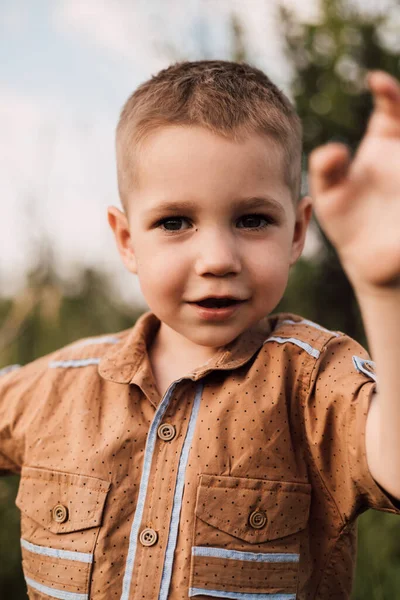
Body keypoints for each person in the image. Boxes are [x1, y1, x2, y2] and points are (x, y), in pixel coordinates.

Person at [0, 60, 399, 600]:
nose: (217, 259)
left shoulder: (312, 384)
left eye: (252, 219)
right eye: (174, 222)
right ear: (125, 239)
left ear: (298, 231)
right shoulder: (56, 388)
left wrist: (385, 291)